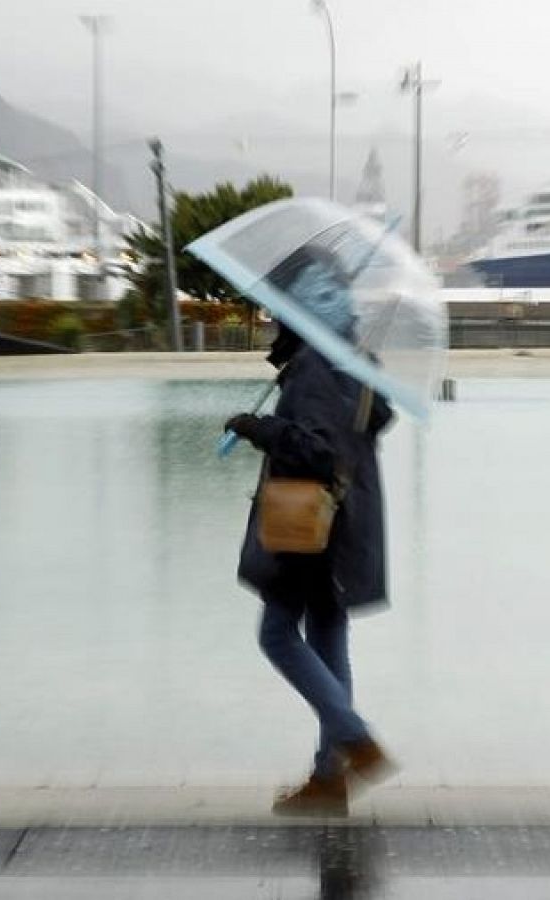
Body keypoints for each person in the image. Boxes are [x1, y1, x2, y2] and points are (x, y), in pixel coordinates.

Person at [223, 249, 397, 817]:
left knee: (276, 635)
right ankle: (330, 780)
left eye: (279, 307)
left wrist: (260, 429)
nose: (270, 317)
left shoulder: (318, 366)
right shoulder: (353, 359)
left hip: (312, 528)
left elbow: (317, 450)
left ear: (302, 306)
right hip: (348, 525)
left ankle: (354, 738)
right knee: (326, 634)